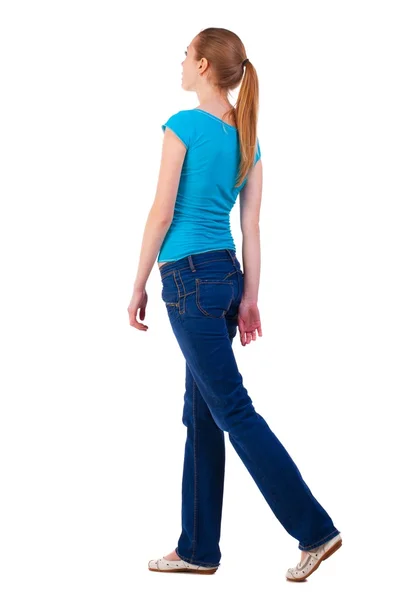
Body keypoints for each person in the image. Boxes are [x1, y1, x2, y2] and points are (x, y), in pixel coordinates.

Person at [127, 27, 342, 582]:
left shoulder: (183, 127)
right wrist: (249, 297)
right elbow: (251, 228)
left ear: (202, 66)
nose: (180, 63)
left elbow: (160, 212)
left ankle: (315, 530)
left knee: (233, 411)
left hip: (188, 280)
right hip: (224, 278)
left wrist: (137, 283)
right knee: (201, 415)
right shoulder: (247, 138)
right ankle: (198, 547)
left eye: (185, 56)